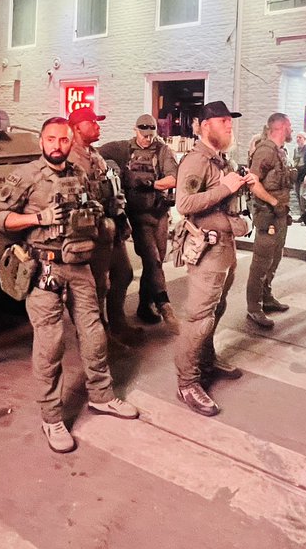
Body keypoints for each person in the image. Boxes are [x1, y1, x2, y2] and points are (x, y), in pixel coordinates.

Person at [0, 117, 139, 453]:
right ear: (41, 141)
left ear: (71, 142)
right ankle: (52, 417)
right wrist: (37, 218)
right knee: (50, 344)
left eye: (63, 140)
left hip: (80, 266)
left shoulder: (80, 173)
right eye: (51, 139)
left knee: (94, 333)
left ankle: (101, 395)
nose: (57, 145)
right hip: (45, 269)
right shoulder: (26, 176)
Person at [173, 101, 256, 417]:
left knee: (216, 309)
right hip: (206, 250)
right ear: (206, 125)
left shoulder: (222, 160)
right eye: (223, 121)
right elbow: (184, 204)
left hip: (224, 247)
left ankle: (206, 361)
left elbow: (224, 198)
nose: (229, 126)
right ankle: (187, 382)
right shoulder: (196, 161)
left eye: (229, 122)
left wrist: (240, 185)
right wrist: (224, 188)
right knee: (199, 317)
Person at [66, 107, 142, 348]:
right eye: (92, 122)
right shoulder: (70, 159)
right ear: (77, 128)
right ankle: (98, 337)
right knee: (95, 287)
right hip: (89, 232)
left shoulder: (95, 155)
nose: (97, 126)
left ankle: (118, 324)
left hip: (110, 228)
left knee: (124, 273)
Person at [100, 115, 180, 326]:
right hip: (138, 216)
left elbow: (174, 178)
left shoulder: (162, 150)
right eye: (143, 135)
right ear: (135, 130)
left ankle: (145, 305)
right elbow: (97, 154)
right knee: (152, 259)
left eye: (150, 135)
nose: (147, 139)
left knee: (155, 262)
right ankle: (163, 303)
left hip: (159, 213)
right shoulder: (123, 149)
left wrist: (150, 184)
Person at [244, 113, 294, 330]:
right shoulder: (265, 150)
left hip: (280, 214)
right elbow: (252, 182)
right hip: (268, 215)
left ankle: (267, 297)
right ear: (281, 127)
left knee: (275, 258)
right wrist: (273, 201)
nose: (291, 130)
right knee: (261, 262)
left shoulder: (280, 151)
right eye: (289, 126)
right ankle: (254, 307)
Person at [292, 131, 306, 214]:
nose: (298, 139)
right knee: (298, 194)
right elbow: (294, 161)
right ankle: (302, 214)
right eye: (297, 137)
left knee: (303, 195)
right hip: (297, 174)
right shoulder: (296, 149)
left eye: (300, 137)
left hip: (305, 173)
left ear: (304, 139)